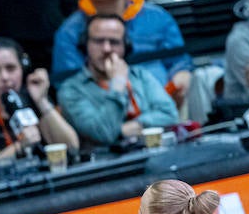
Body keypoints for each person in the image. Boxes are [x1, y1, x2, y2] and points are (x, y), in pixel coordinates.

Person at [51, 0, 192, 94]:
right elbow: (68, 85)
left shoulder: (156, 17)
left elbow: (179, 63)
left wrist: (180, 80)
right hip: (102, 106)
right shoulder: (69, 31)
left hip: (162, 101)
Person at [57, 15, 179, 147]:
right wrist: (118, 83)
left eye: (114, 42)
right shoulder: (71, 90)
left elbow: (170, 115)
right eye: (98, 41)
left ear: (125, 46)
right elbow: (103, 133)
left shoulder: (140, 75)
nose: (106, 49)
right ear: (85, 45)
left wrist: (132, 126)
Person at [0, 39, 77, 164]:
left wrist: (42, 101)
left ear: (23, 68)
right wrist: (19, 147)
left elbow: (71, 147)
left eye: (11, 68)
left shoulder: (33, 95)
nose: (4, 77)